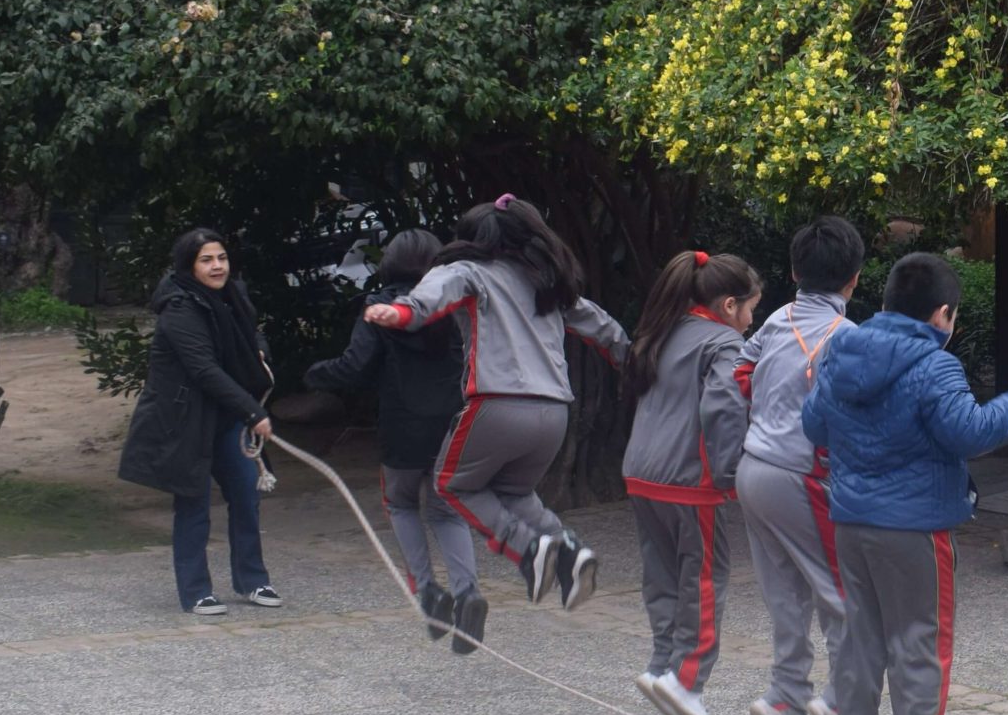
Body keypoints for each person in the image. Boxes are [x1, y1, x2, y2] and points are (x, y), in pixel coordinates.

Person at [800, 252, 1008, 715]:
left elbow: (814, 427)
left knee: (861, 639)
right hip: (914, 529)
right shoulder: (934, 364)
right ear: (942, 314)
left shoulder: (842, 349)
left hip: (851, 521)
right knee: (920, 642)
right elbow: (969, 433)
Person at [363, 195, 628, 616]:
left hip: (496, 404)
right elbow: (600, 325)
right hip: (555, 414)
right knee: (515, 492)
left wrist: (401, 312)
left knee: (450, 484)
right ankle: (569, 551)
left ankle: (529, 549)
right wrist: (632, 359)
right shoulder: (547, 283)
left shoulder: (468, 271)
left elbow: (434, 291)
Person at [306, 229, 480, 651]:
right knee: (447, 511)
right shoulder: (452, 303)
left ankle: (427, 590)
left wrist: (313, 374)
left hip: (402, 422)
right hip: (451, 420)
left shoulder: (379, 306)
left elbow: (355, 365)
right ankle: (468, 593)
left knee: (400, 504)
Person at [736, 216, 865, 715]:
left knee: (786, 593)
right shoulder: (848, 337)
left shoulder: (775, 319)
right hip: (802, 476)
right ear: (854, 279)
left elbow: (740, 374)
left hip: (753, 466)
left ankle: (785, 696)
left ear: (793, 273)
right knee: (845, 599)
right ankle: (840, 708)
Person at [621, 250, 762, 715]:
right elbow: (724, 406)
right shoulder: (724, 342)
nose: (751, 320)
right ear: (729, 305)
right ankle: (685, 680)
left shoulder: (662, 330)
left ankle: (661, 665)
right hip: (690, 479)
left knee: (662, 575)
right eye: (751, 309)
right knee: (704, 578)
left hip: (642, 473)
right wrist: (730, 473)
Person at [119, 228, 284, 616]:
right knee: (193, 504)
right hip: (186, 420)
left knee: (246, 493)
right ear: (189, 266)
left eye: (221, 258)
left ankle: (252, 580)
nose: (217, 266)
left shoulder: (233, 295)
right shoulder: (178, 308)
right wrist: (253, 412)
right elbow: (204, 369)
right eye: (206, 260)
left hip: (227, 419)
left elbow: (251, 335)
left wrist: (259, 352)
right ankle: (196, 591)